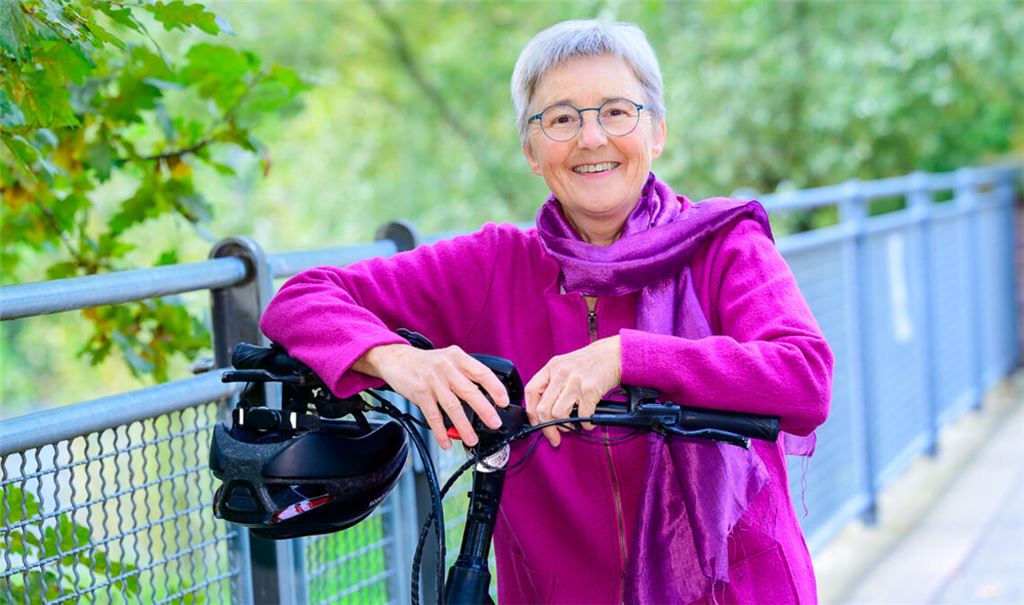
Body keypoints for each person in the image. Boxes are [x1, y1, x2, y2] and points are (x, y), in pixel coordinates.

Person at [260, 19, 832, 605]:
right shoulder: (493, 264)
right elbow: (301, 298)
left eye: (616, 111)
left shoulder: (724, 246)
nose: (592, 138)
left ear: (657, 132)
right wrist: (402, 362)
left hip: (736, 590)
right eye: (561, 119)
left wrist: (626, 357)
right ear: (531, 151)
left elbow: (805, 377)